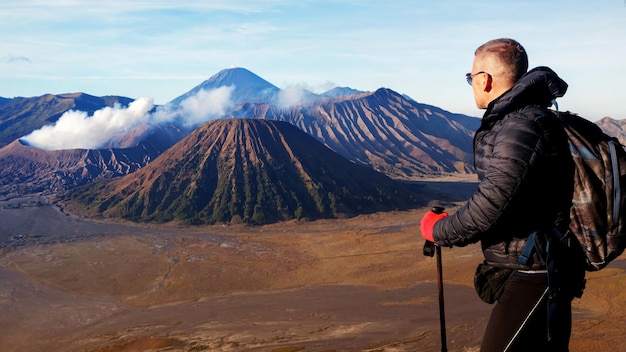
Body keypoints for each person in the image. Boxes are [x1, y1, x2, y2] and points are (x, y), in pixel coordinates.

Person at [419, 38, 586, 352]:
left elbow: (491, 204)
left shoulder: (520, 126)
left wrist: (437, 230)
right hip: (537, 268)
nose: (470, 84)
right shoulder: (523, 120)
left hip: (535, 273)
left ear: (485, 80)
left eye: (470, 77)